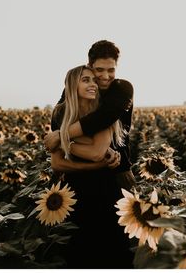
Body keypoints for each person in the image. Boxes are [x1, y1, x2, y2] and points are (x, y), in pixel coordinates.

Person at [50, 65, 132, 268]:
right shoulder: (60, 113)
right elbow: (57, 163)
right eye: (86, 80)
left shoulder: (102, 112)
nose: (93, 84)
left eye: (93, 81)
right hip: (73, 193)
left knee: (112, 249)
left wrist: (62, 141)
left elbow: (97, 153)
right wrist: (95, 162)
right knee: (79, 250)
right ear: (72, 84)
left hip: (105, 189)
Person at [45, 40, 135, 189]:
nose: (106, 76)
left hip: (117, 169)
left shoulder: (121, 89)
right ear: (90, 66)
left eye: (111, 70)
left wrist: (61, 137)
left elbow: (99, 120)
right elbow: (59, 121)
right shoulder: (73, 93)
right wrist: (61, 137)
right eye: (99, 70)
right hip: (77, 169)